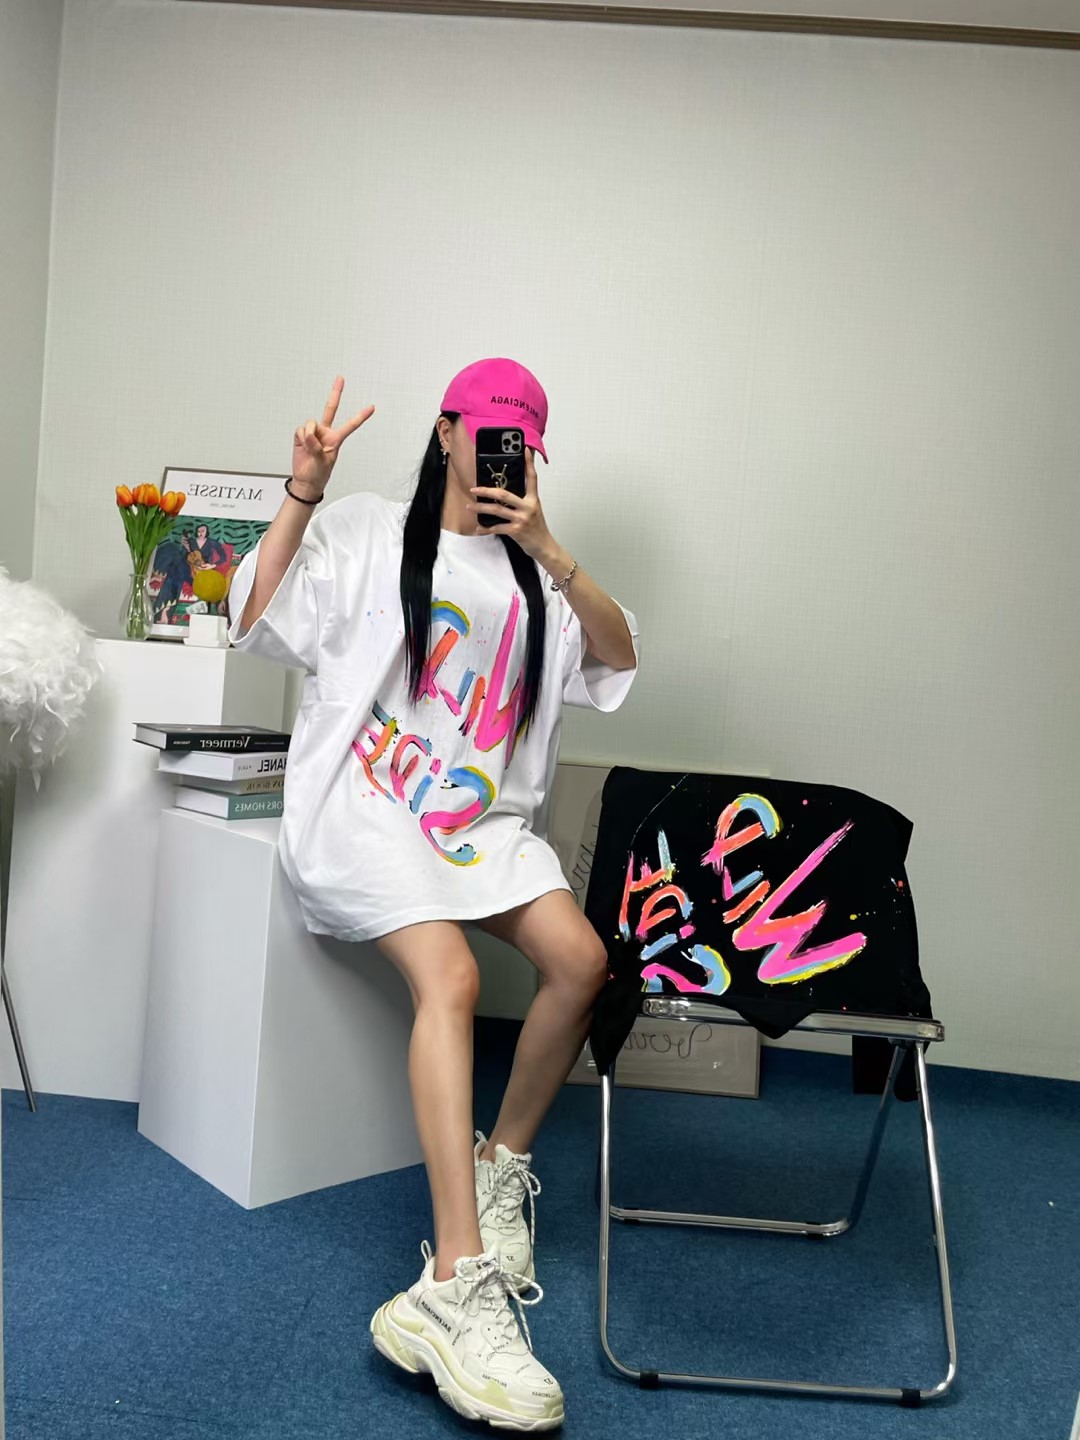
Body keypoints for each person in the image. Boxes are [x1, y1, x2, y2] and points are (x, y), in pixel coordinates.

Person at [226, 358, 638, 1432]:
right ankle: (453, 1283)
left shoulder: (536, 575)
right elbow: (258, 618)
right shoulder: (369, 530)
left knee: (583, 962)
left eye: (518, 442)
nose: (497, 453)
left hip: (476, 828)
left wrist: (551, 549)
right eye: (483, 431)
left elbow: (618, 654)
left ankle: (501, 1168)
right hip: (367, 811)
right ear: (446, 431)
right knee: (450, 975)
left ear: (531, 456)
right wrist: (305, 487)